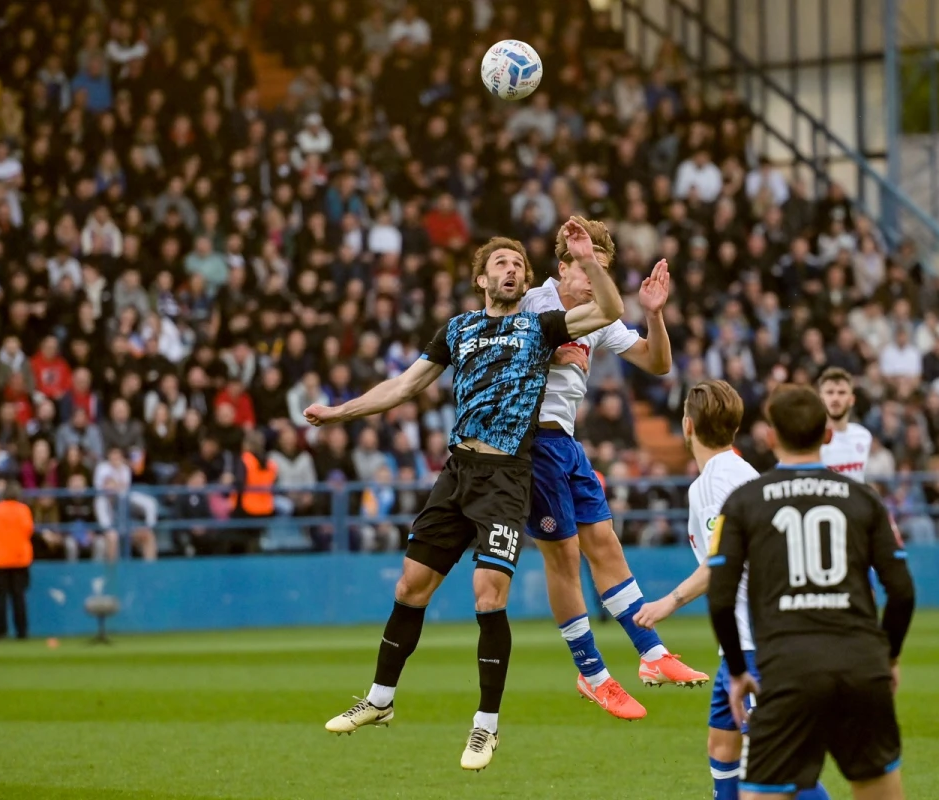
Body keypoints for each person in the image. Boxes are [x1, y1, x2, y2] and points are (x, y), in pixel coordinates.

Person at [306, 221, 623, 771]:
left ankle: (485, 728)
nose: (512, 270)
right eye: (501, 264)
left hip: (505, 479)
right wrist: (340, 411)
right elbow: (403, 386)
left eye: (519, 266)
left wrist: (585, 260)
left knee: (488, 596)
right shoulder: (457, 330)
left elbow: (611, 311)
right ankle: (379, 701)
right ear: (481, 278)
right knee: (410, 585)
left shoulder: (539, 326)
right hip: (457, 473)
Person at [520, 216, 707, 721]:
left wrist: (656, 315)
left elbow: (657, 363)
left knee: (604, 544)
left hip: (565, 442)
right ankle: (593, 673)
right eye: (586, 270)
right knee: (562, 559)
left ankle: (651, 653)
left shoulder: (599, 317)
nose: (594, 281)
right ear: (563, 269)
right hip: (530, 441)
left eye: (602, 272)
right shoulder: (534, 302)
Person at [708, 384, 915, 800]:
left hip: (786, 670)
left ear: (770, 437)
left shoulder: (744, 502)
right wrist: (887, 656)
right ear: (826, 435)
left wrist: (736, 670)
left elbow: (721, 598)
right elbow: (902, 592)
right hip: (860, 665)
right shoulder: (866, 500)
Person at [633, 380, 831, 800]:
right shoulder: (743, 473)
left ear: (687, 425)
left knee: (778, 762)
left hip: (759, 641)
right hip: (745, 642)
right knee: (721, 746)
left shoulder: (710, 485)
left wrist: (667, 603)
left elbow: (721, 562)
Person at [0, 481, 35, 640]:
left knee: (0, 598)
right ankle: (22, 632)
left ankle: (1, 632)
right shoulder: (24, 510)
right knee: (19, 597)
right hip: (20, 559)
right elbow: (29, 531)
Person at [818, 367, 873, 483]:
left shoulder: (863, 436)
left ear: (851, 400)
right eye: (830, 392)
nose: (835, 398)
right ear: (821, 399)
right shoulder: (812, 440)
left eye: (841, 393)